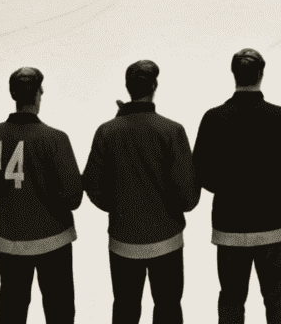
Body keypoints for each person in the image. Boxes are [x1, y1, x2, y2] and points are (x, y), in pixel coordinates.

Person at [82, 59, 199, 324]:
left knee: (125, 307)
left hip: (123, 241)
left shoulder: (107, 131)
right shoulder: (172, 131)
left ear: (127, 87)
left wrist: (118, 206)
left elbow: (92, 183)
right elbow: (188, 195)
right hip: (166, 240)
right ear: (155, 86)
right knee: (168, 307)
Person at [0, 66, 83, 324]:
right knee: (59, 309)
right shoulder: (56, 139)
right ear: (39, 94)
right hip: (54, 240)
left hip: (10, 239)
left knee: (12, 307)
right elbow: (73, 197)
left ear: (13, 94)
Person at [193, 48, 281, 324]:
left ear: (234, 74)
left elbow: (202, 173)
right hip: (273, 224)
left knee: (231, 299)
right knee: (279, 302)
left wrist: (229, 188)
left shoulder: (214, 118)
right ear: (261, 74)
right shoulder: (279, 117)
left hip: (229, 225)